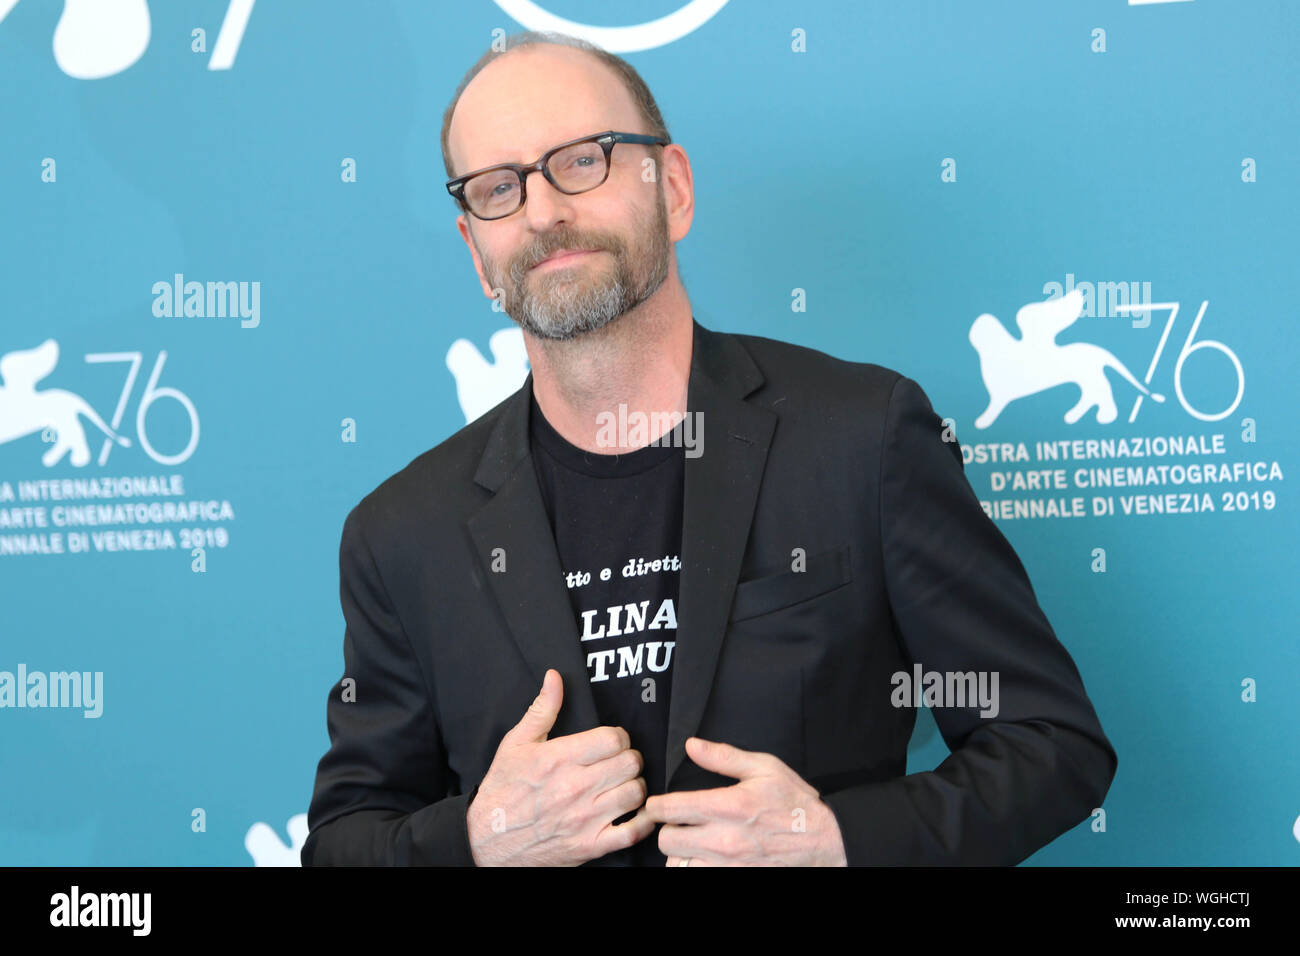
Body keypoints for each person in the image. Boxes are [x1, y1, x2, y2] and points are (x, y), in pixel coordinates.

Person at [302, 30, 1116, 867]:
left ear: (675, 188)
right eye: (498, 188)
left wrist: (839, 841)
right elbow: (342, 843)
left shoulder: (864, 437)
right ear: (478, 252)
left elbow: (1050, 744)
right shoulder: (402, 534)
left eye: (583, 160)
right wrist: (477, 841)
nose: (544, 211)